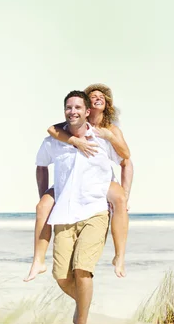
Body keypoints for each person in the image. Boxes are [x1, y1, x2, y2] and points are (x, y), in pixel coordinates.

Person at [34, 90, 122, 324]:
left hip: (95, 211)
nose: (72, 111)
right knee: (61, 276)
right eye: (68, 107)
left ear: (87, 112)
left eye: (77, 108)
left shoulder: (102, 139)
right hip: (64, 213)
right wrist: (44, 196)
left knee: (82, 270)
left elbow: (125, 158)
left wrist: (123, 194)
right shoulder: (53, 141)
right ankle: (85, 303)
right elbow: (40, 164)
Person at [24, 84, 133, 282]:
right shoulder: (70, 128)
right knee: (43, 206)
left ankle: (119, 257)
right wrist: (75, 141)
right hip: (70, 182)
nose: (98, 98)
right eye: (93, 96)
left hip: (99, 181)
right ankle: (38, 260)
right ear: (87, 104)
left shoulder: (108, 130)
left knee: (120, 201)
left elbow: (126, 158)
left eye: (102, 96)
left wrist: (126, 193)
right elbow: (52, 129)